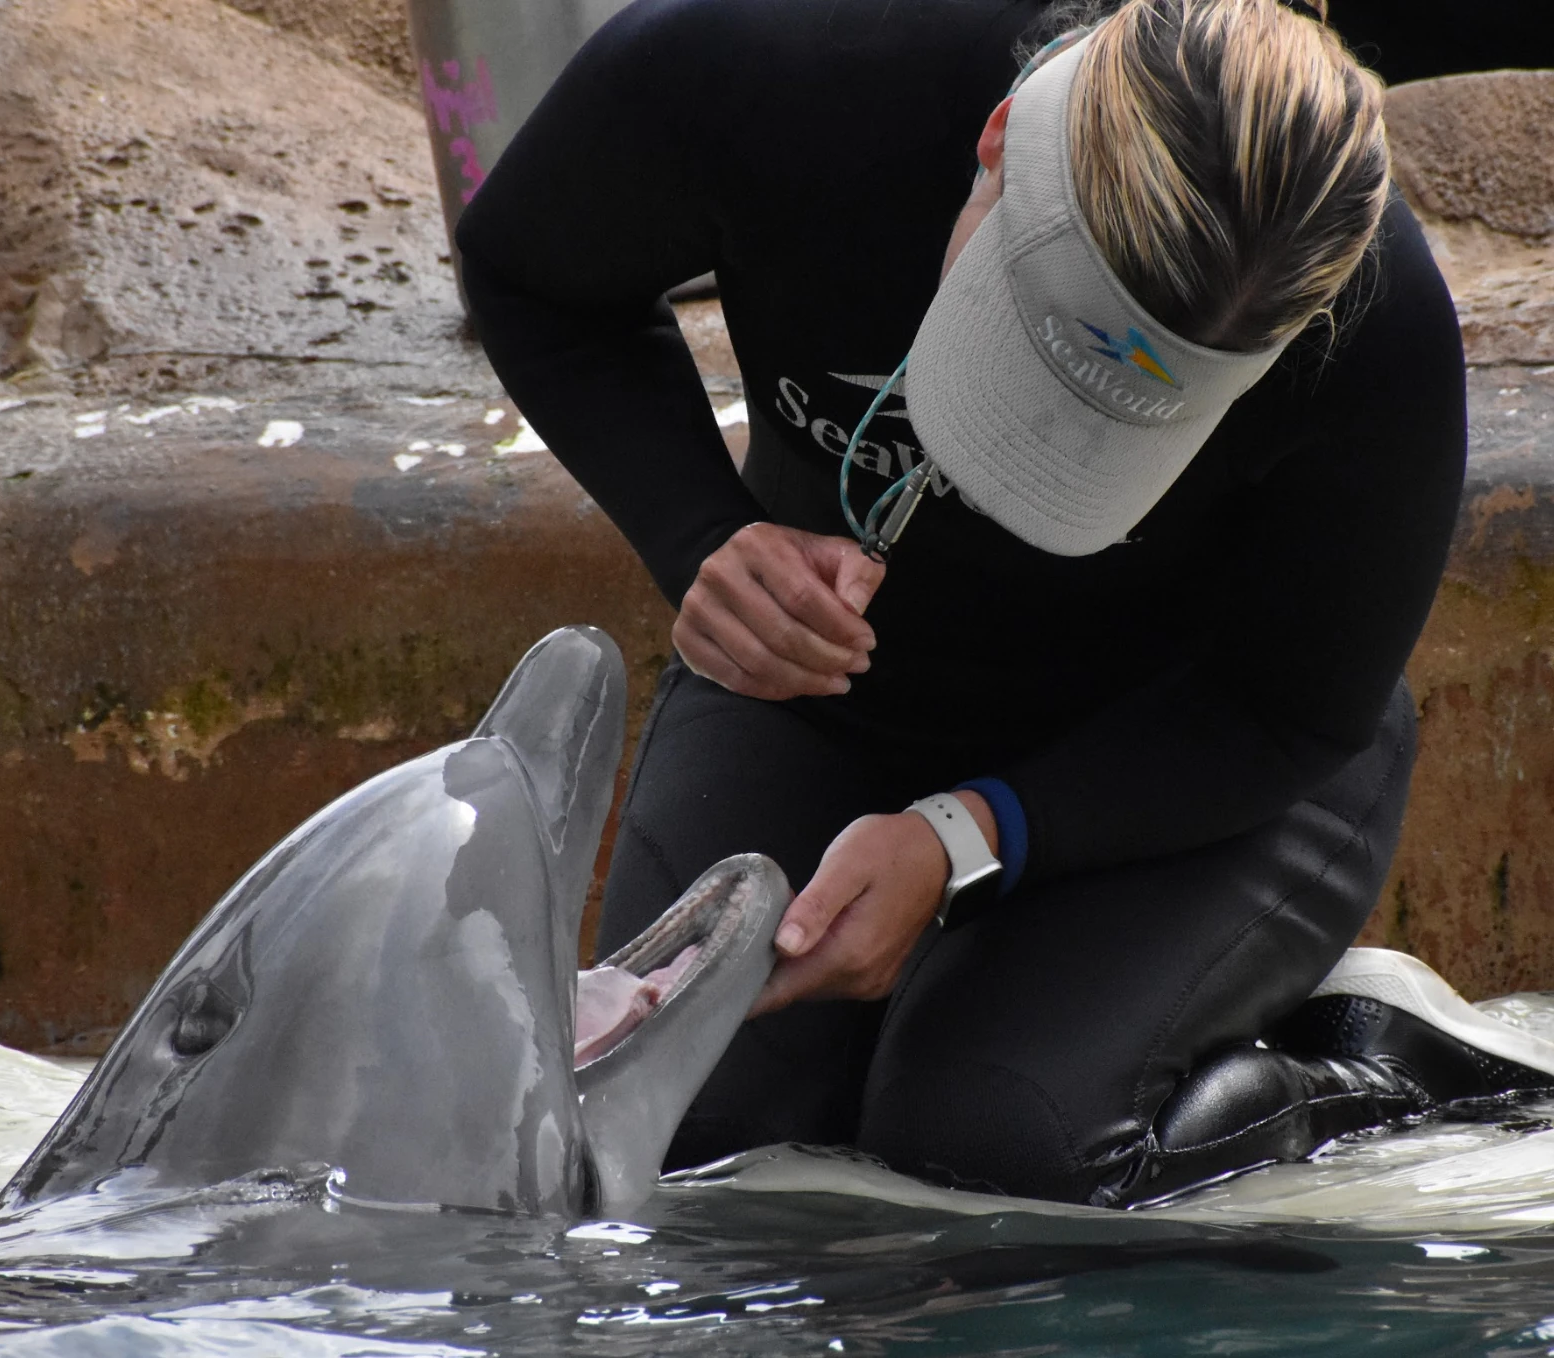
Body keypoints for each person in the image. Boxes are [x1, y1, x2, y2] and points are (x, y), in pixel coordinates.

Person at [456, 0, 1554, 1206]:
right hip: (827, 695)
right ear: (995, 142)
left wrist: (964, 839)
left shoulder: (1371, 312)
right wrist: (705, 538)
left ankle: (1368, 1061)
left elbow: (1290, 709)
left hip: (1190, 753)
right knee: (683, 1133)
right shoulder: (786, 65)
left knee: (1002, 1142)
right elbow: (527, 269)